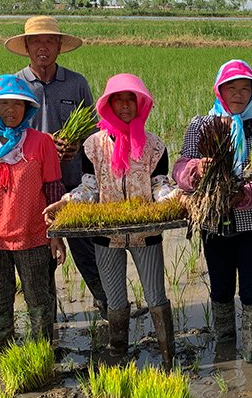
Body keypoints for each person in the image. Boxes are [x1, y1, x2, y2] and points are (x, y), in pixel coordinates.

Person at [45, 74, 177, 366]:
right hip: (106, 237)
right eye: (119, 99)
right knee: (115, 300)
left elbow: (160, 186)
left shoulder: (154, 145)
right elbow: (89, 187)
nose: (126, 105)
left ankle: (169, 356)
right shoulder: (93, 146)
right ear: (108, 104)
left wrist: (178, 199)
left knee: (156, 296)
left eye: (132, 99)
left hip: (147, 234)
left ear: (141, 104)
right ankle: (118, 353)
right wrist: (67, 203)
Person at [173, 60, 252, 363]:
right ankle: (226, 351)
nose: (239, 94)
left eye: (246, 89)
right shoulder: (201, 125)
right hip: (214, 221)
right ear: (220, 90)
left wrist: (251, 192)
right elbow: (179, 168)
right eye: (232, 87)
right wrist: (196, 168)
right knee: (220, 287)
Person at [8, 16, 107, 317]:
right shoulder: (15, 86)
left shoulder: (76, 83)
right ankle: (45, 321)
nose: (43, 47)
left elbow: (93, 132)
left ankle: (107, 306)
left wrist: (76, 144)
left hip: (75, 183)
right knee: (40, 257)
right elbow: (6, 137)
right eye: (36, 41)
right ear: (26, 46)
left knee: (88, 250)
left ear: (60, 46)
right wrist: (44, 144)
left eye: (50, 40)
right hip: (32, 188)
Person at [0, 75, 66, 352]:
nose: (11, 110)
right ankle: (5, 358)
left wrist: (56, 235)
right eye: (3, 103)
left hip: (32, 235)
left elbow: (54, 190)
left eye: (18, 104)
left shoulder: (41, 142)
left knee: (39, 299)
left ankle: (42, 355)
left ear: (28, 108)